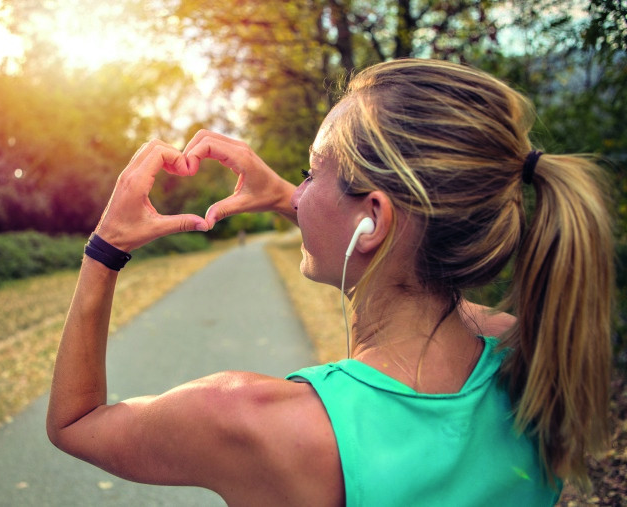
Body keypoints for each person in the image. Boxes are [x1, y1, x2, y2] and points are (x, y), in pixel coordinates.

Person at [46, 59, 613, 505]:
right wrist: (286, 198)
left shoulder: (255, 422)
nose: (300, 190)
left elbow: (76, 424)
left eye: (312, 172)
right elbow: (389, 249)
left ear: (371, 220)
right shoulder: (529, 356)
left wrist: (106, 247)